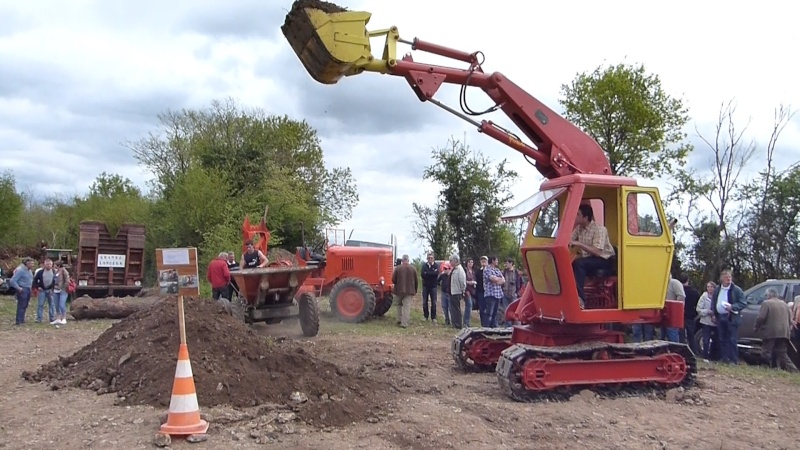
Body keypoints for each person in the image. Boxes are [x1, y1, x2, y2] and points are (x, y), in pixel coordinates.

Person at [570, 204, 615, 309]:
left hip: (604, 260)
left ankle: (580, 299)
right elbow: (569, 239)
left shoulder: (600, 230)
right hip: (590, 260)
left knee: (579, 263)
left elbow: (597, 252)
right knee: (568, 264)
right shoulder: (579, 228)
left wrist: (579, 244)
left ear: (585, 218)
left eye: (578, 214)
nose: (575, 217)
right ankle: (570, 296)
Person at [754, 289, 798, 372]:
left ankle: (766, 368)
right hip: (784, 332)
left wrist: (756, 327)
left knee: (766, 351)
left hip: (771, 332)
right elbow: (790, 319)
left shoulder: (766, 303)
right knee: (782, 353)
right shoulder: (784, 304)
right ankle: (793, 370)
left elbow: (761, 317)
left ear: (769, 295)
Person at [710, 270, 746, 364]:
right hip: (720, 317)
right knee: (722, 339)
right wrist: (714, 313)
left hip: (731, 317)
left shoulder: (736, 290)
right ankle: (724, 358)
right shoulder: (718, 289)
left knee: (732, 339)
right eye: (726, 277)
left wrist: (732, 307)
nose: (728, 279)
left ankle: (733, 360)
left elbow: (743, 303)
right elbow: (714, 302)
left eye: (730, 277)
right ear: (721, 279)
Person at [392, 254, 418, 328]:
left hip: (399, 290)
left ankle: (399, 319)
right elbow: (416, 281)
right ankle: (404, 323)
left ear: (402, 260)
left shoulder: (398, 268)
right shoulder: (413, 268)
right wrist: (415, 289)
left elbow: (393, 280)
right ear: (408, 260)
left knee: (399, 305)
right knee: (407, 306)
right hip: (409, 290)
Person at [9, 258, 35, 326]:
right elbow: (12, 280)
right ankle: (18, 321)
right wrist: (18, 288)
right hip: (23, 289)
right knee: (21, 305)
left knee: (25, 305)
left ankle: (22, 319)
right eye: (31, 263)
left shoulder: (29, 271)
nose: (33, 265)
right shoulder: (21, 270)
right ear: (27, 263)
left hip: (28, 288)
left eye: (33, 263)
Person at [696, 281, 718, 360]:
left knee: (716, 340)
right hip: (706, 321)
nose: (710, 288)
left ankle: (714, 356)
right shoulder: (704, 296)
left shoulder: (717, 296)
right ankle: (705, 356)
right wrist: (707, 311)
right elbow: (699, 309)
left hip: (716, 322)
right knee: (706, 339)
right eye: (708, 287)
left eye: (711, 287)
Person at [680, 274, 701, 354]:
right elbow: (698, 304)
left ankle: (681, 351)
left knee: (681, 335)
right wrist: (695, 313)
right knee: (691, 335)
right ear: (688, 280)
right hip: (690, 316)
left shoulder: (679, 291)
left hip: (680, 315)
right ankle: (693, 351)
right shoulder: (694, 292)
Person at [32, 258, 57, 323]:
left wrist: (53, 289)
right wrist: (38, 287)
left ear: (52, 265)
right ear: (44, 265)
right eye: (47, 264)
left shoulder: (54, 272)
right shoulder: (40, 272)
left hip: (50, 290)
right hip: (42, 290)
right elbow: (34, 281)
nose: (48, 265)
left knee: (52, 305)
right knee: (40, 304)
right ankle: (39, 318)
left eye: (50, 264)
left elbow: (56, 282)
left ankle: (52, 318)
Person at [482, 256, 505, 327]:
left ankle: (493, 327)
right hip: (490, 294)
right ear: (492, 261)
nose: (497, 262)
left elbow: (503, 280)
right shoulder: (487, 270)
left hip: (498, 294)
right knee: (489, 313)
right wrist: (497, 279)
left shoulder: (497, 270)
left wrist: (497, 280)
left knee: (495, 313)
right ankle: (486, 327)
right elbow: (493, 279)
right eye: (496, 260)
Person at [420, 253, 439, 323]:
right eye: (429, 258)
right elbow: (422, 274)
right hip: (425, 286)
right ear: (427, 259)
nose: (430, 259)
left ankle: (433, 317)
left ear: (433, 258)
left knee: (433, 302)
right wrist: (431, 273)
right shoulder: (424, 266)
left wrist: (427, 273)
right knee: (425, 302)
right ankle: (425, 316)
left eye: (431, 258)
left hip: (433, 286)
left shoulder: (436, 265)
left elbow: (436, 274)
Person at [449, 254, 467, 329]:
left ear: (455, 261)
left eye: (451, 260)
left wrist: (462, 291)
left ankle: (458, 324)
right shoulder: (454, 269)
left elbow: (463, 282)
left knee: (456, 309)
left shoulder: (460, 270)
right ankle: (454, 323)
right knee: (453, 309)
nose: (450, 262)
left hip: (457, 292)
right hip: (452, 292)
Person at [51, 260, 70, 325]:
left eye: (55, 265)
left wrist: (63, 287)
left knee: (62, 304)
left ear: (58, 265)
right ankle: (58, 318)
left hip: (62, 290)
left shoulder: (64, 271)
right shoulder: (55, 271)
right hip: (55, 290)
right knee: (56, 305)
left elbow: (67, 280)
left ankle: (64, 318)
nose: (53, 266)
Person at [464, 258, 477, 327]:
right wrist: (469, 282)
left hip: (473, 290)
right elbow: (463, 281)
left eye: (472, 262)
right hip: (467, 290)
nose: (470, 263)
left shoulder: (473, 272)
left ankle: (467, 322)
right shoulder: (465, 271)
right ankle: (466, 322)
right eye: (469, 262)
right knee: (469, 305)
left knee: (470, 306)